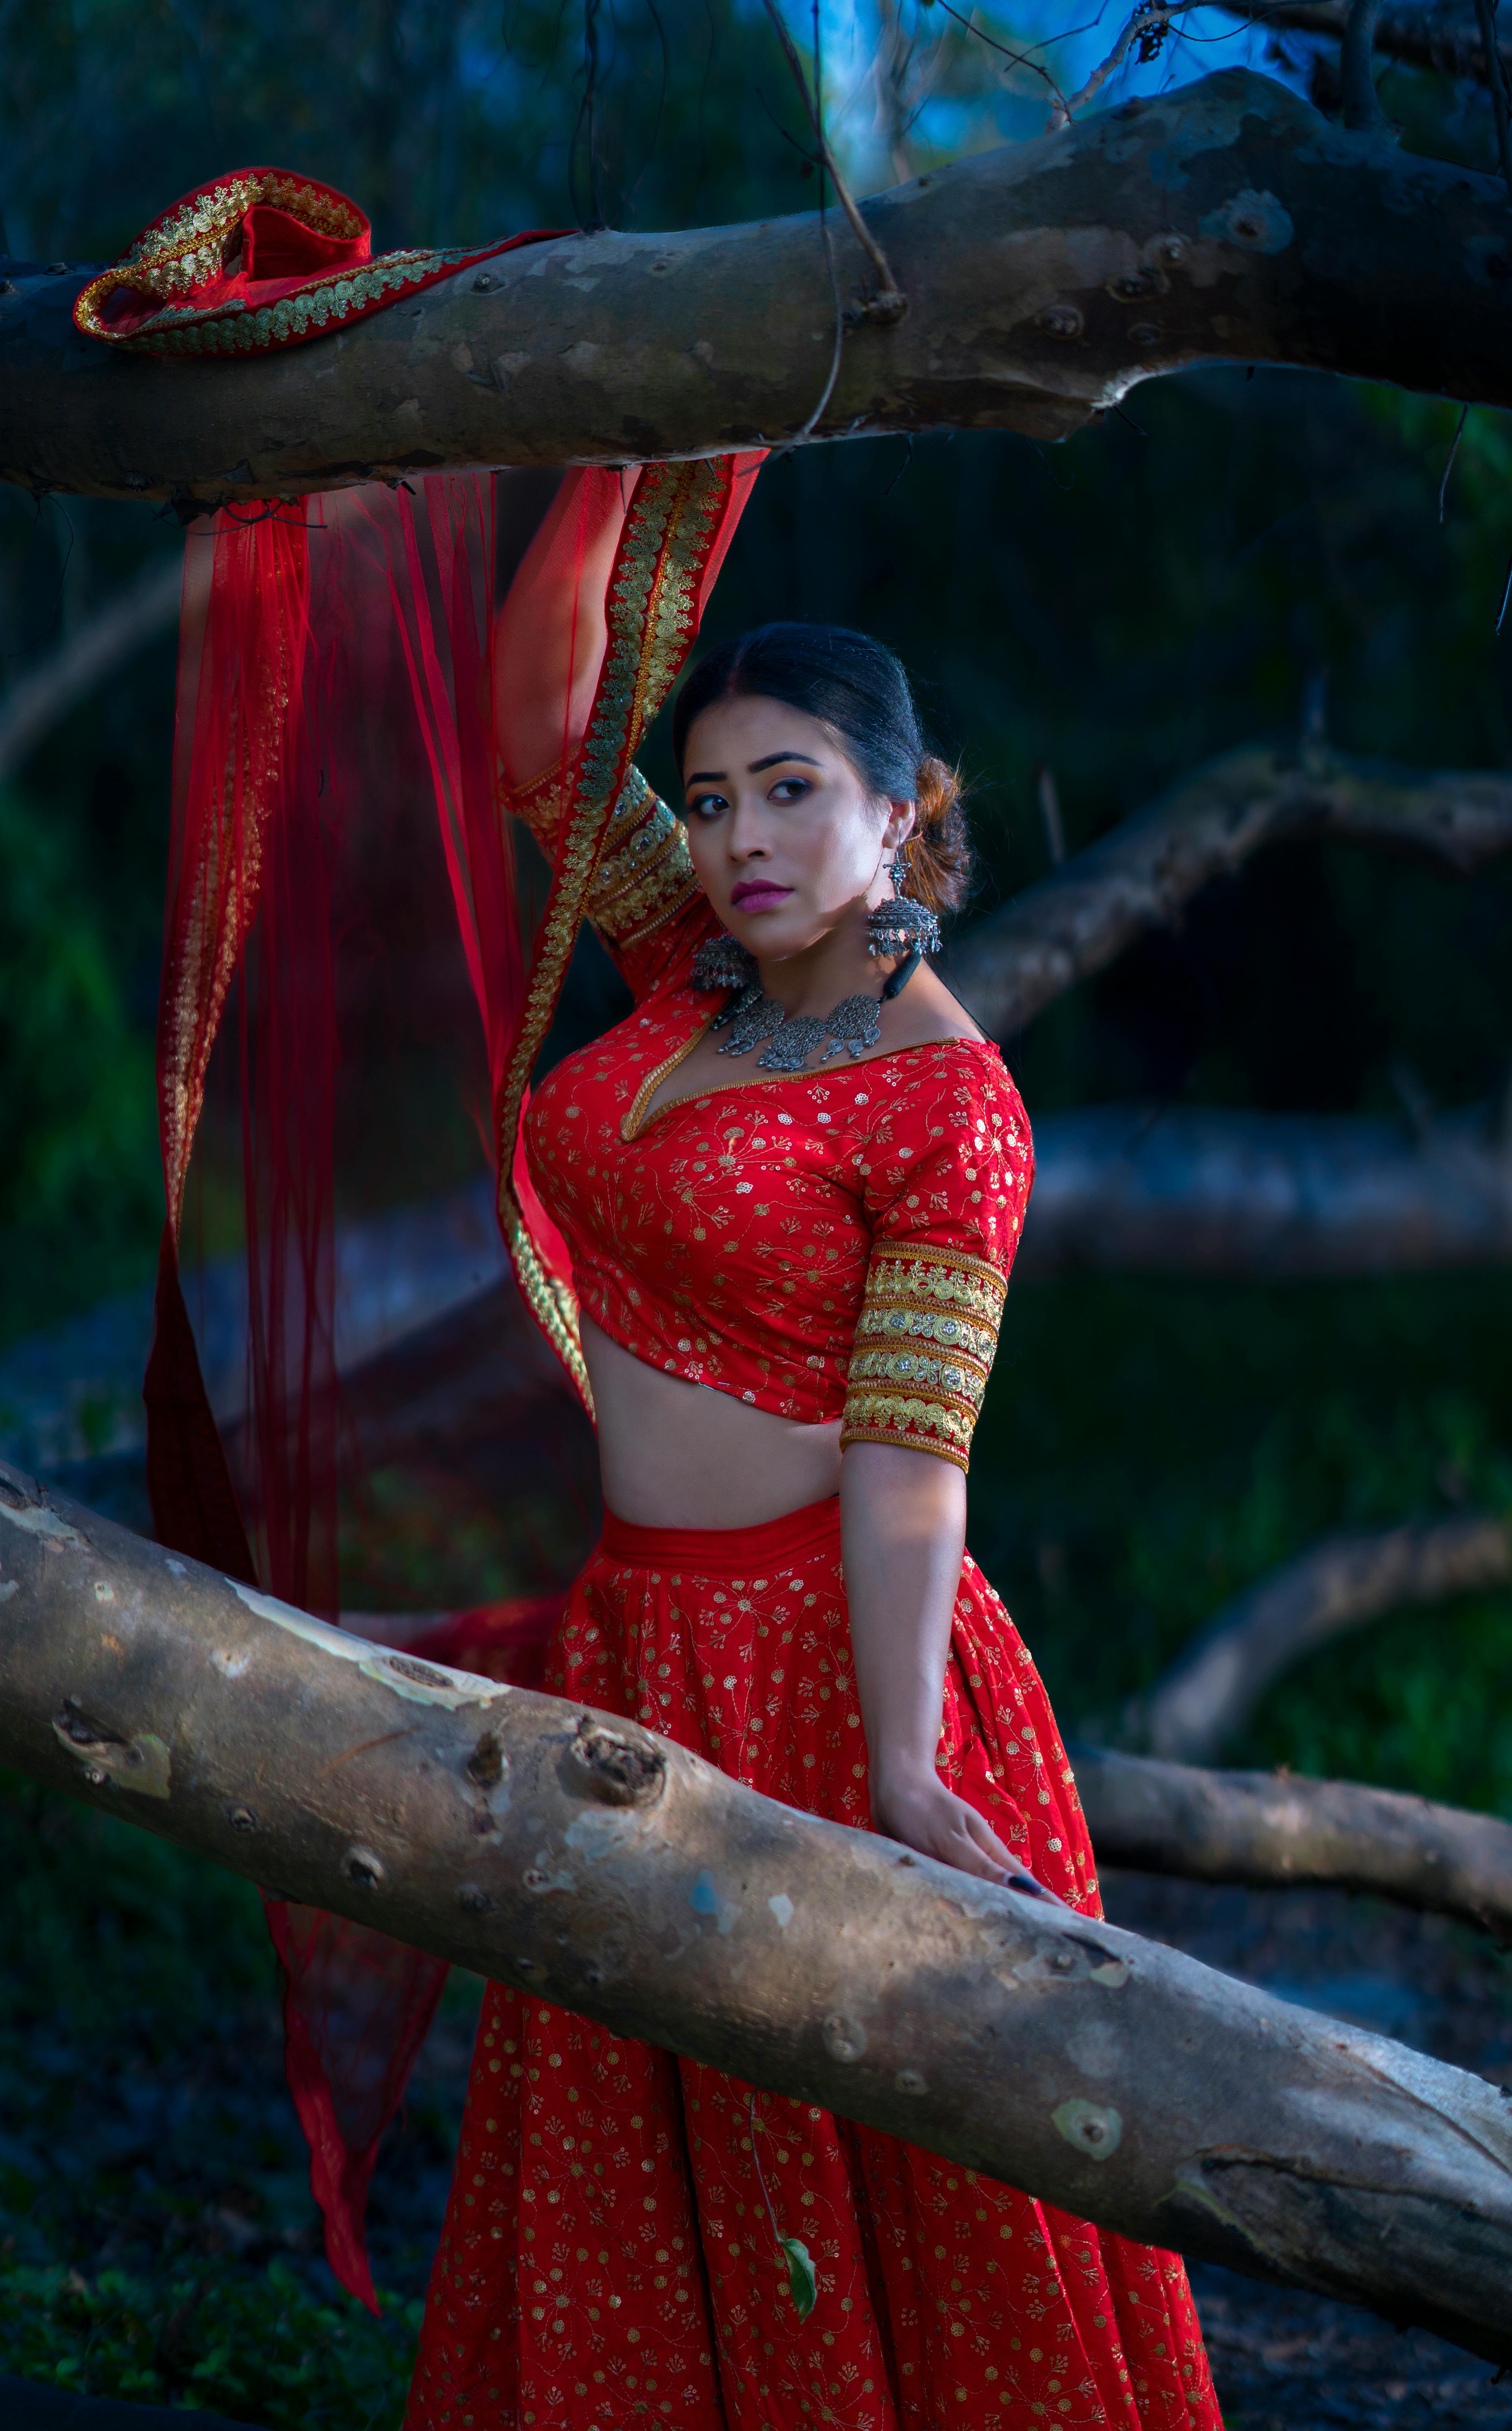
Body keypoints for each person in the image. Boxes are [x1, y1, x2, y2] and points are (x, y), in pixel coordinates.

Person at [404, 474, 1222, 2430]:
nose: (743, 838)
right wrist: (617, 445)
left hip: (820, 1666)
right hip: (632, 1649)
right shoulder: (692, 965)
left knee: (875, 2168)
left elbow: (911, 1461)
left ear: (897, 806)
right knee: (642, 2146)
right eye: (710, 798)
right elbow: (533, 723)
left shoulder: (952, 1102)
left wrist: (900, 1760)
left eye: (790, 790)